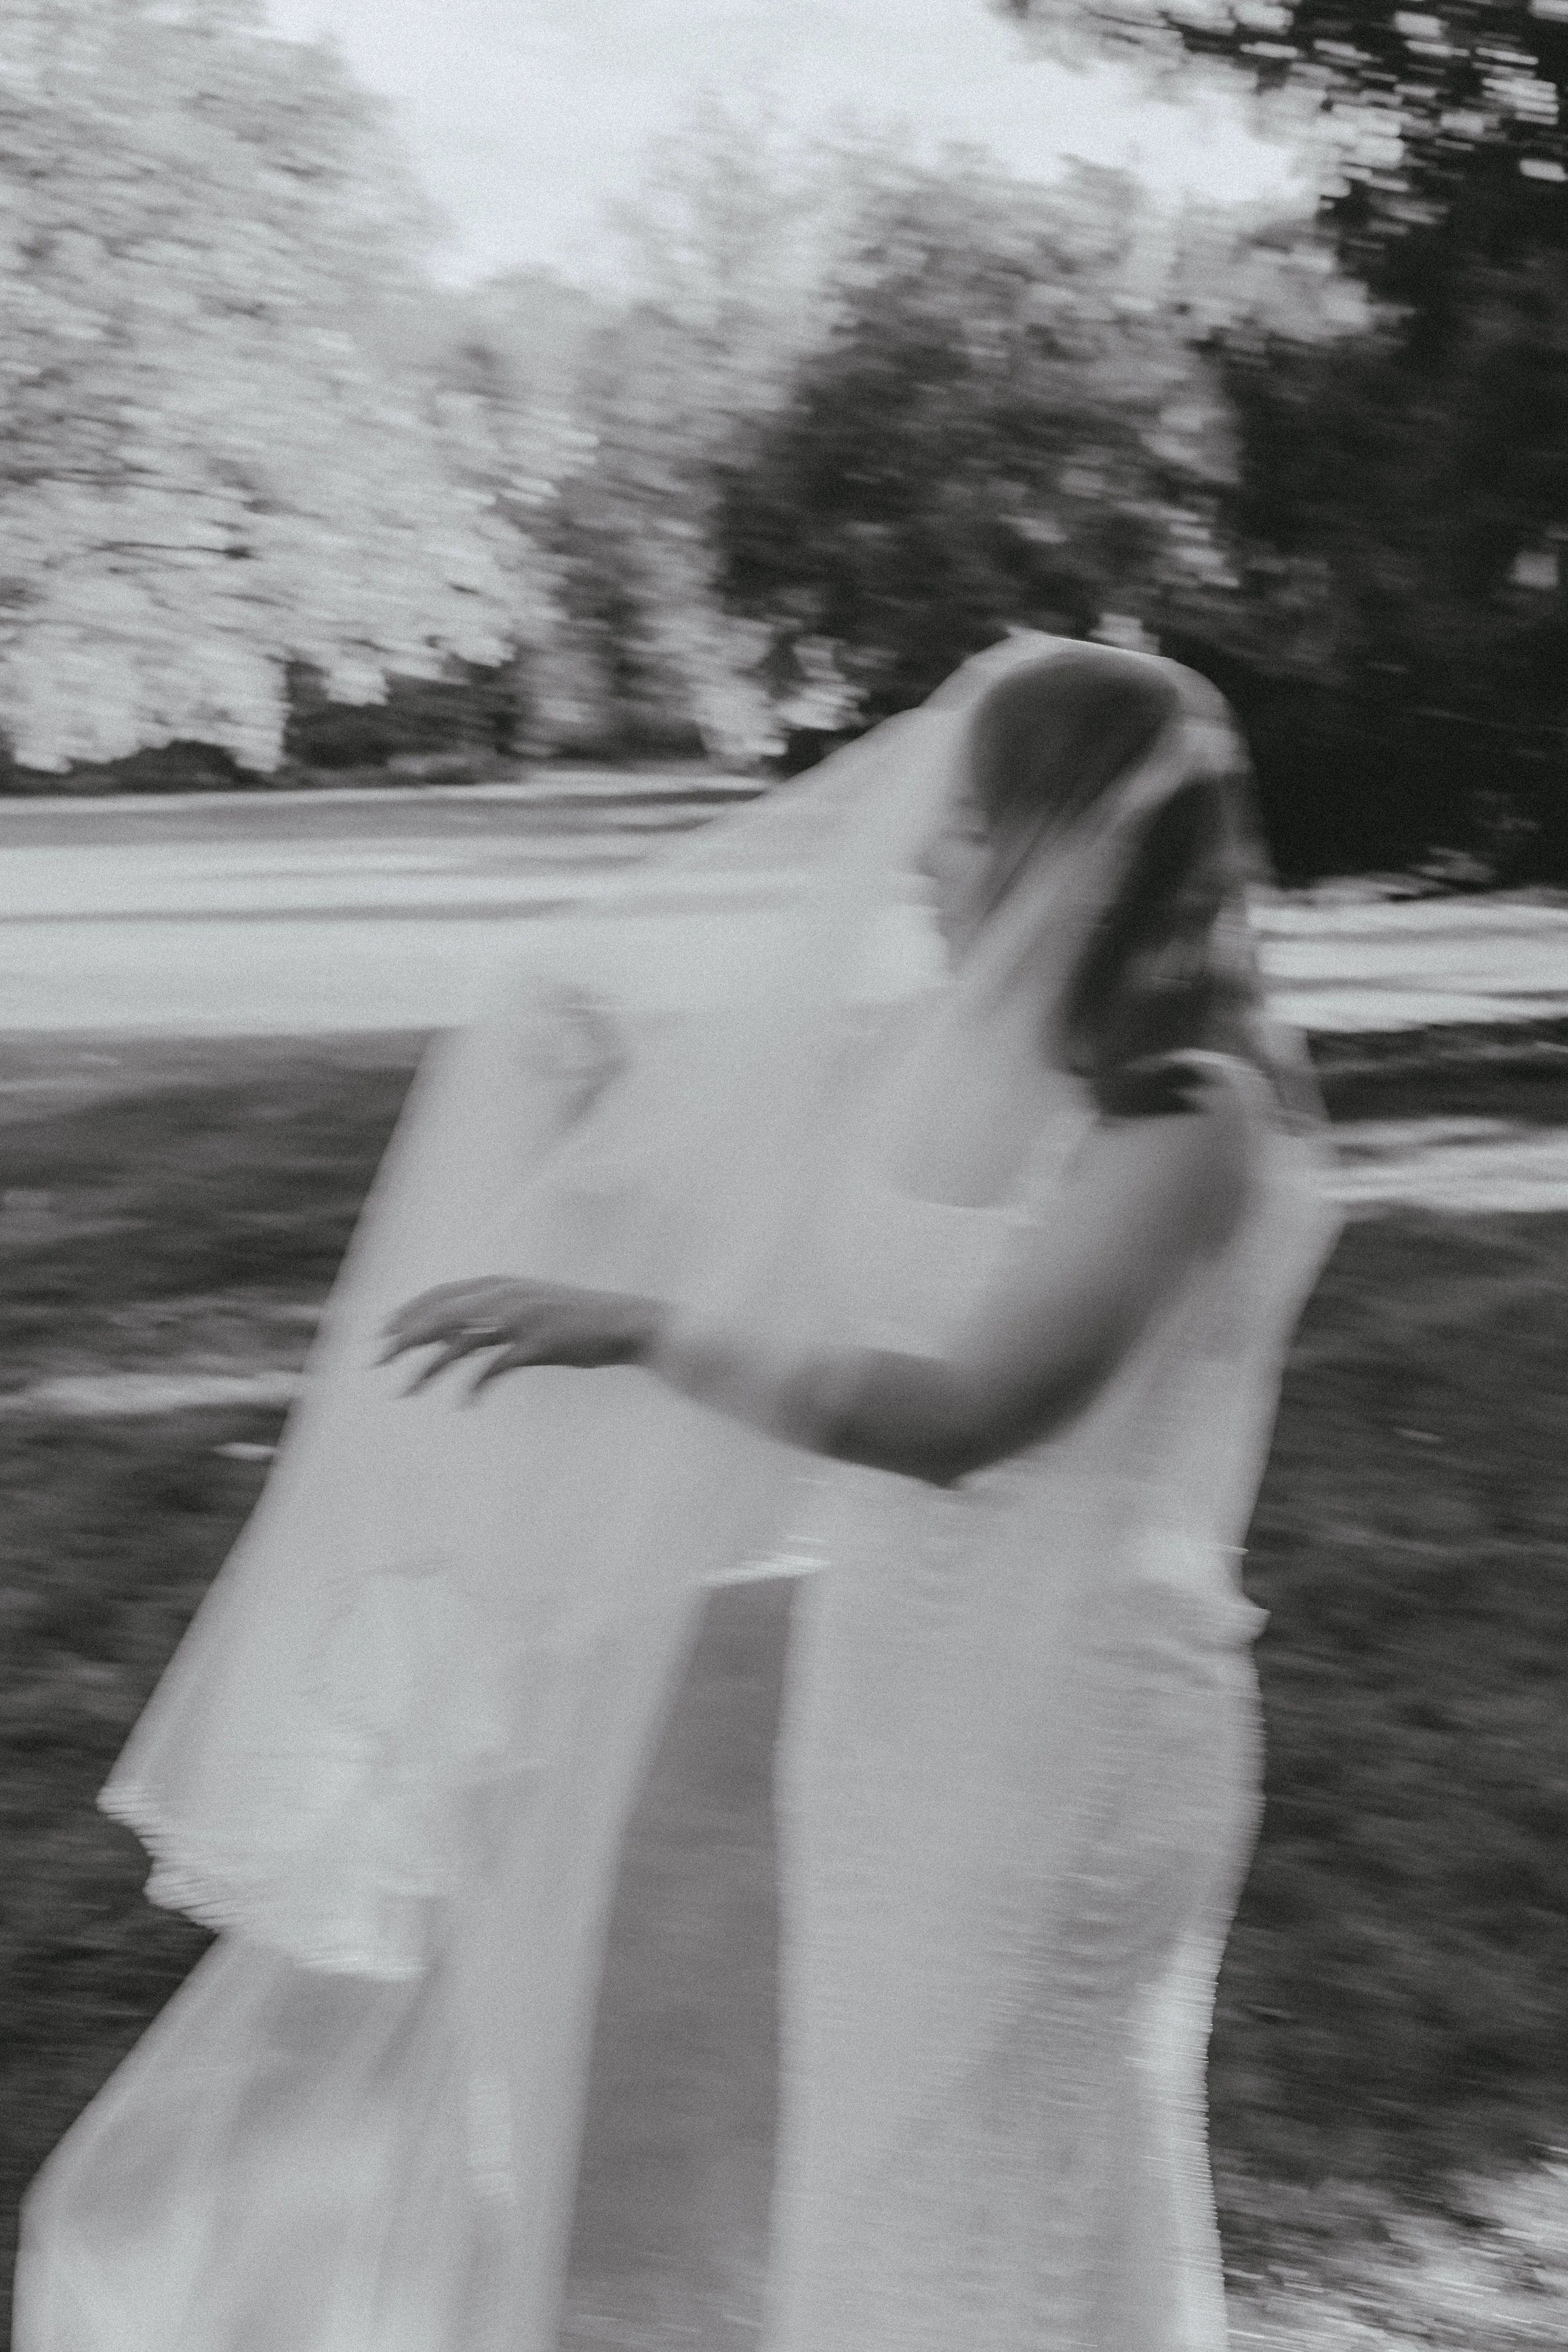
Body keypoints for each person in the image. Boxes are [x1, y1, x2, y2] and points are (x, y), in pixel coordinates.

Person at [15, 633, 1341, 2352]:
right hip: (908, 1693)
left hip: (1067, 1722)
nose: (928, 859)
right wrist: (589, 1081)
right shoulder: (1031, 1090)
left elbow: (968, 1416)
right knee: (890, 2154)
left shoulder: (1192, 1123)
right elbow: (796, 1196)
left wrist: (639, 1330)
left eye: (966, 823)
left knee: (996, 2165)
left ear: (1063, 842)